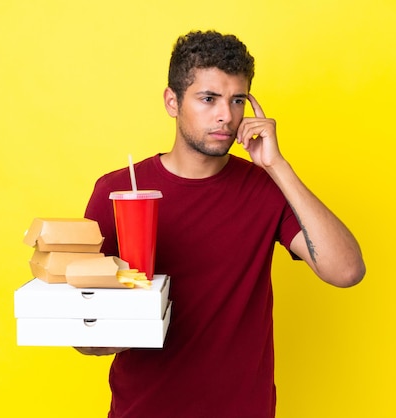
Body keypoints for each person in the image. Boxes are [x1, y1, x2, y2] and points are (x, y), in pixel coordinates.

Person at [75, 30, 365, 418]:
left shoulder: (265, 188)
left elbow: (346, 271)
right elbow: (84, 332)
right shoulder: (116, 191)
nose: (226, 115)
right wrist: (122, 328)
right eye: (208, 98)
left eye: (237, 100)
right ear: (172, 101)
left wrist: (278, 167)